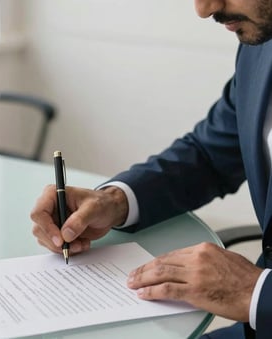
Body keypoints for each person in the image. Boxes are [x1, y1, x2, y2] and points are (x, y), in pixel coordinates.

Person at [30, 1, 272, 338]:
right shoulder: (262, 49)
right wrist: (115, 201)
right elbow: (209, 155)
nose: (205, 9)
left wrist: (256, 293)